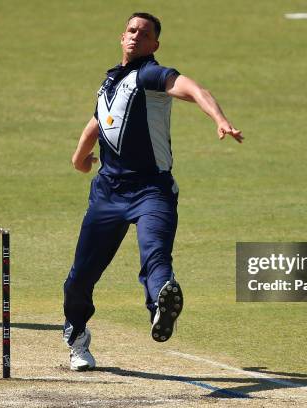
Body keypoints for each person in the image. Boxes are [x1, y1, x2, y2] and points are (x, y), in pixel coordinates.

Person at [62, 12, 243, 371]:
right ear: (121, 36)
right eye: (131, 31)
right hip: (108, 194)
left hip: (152, 191)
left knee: (156, 255)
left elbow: (193, 89)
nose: (135, 37)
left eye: (144, 34)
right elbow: (99, 122)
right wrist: (80, 159)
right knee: (80, 277)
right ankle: (77, 335)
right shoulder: (110, 82)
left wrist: (219, 119)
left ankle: (161, 308)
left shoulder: (151, 75)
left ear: (154, 45)